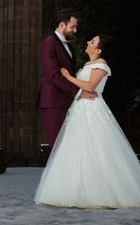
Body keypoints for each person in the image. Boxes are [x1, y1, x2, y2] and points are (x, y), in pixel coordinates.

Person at [34, 35, 140, 209]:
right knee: (76, 148)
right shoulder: (87, 65)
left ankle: (102, 192)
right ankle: (75, 191)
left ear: (99, 50)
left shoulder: (101, 65)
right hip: (79, 109)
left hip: (93, 110)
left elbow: (90, 86)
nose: (88, 43)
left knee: (97, 148)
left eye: (92, 42)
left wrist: (68, 77)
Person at [37, 10, 96, 150]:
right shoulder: (48, 43)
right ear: (62, 25)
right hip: (54, 101)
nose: (75, 30)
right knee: (58, 148)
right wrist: (79, 93)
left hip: (68, 100)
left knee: (69, 148)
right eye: (73, 26)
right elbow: (53, 75)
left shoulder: (68, 45)